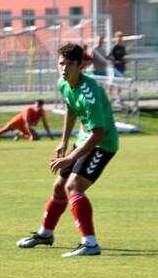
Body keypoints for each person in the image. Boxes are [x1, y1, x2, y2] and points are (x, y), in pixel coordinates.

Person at [17, 42, 118, 257]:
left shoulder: (90, 92)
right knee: (58, 187)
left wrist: (70, 157)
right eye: (61, 63)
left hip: (102, 144)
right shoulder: (63, 84)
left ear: (80, 66)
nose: (64, 68)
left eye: (70, 64)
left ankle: (90, 243)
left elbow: (98, 133)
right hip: (84, 139)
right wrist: (64, 141)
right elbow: (71, 109)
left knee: (73, 186)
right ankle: (45, 234)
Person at [109, 31, 128, 105]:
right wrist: (115, 61)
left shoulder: (123, 47)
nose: (119, 39)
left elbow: (124, 55)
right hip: (115, 68)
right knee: (112, 83)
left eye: (121, 37)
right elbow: (108, 56)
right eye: (118, 37)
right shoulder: (114, 47)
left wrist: (124, 61)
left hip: (121, 68)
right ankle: (109, 98)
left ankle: (118, 98)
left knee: (119, 85)